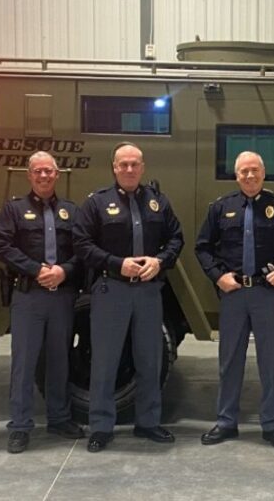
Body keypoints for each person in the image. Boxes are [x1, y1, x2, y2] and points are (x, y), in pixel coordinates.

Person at [194, 151, 274, 450]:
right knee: (229, 361)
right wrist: (218, 276)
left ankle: (272, 425)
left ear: (263, 173)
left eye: (255, 170)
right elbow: (203, 247)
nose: (250, 176)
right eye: (244, 171)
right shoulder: (222, 208)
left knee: (270, 362)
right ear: (237, 175)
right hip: (233, 294)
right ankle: (225, 422)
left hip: (266, 294)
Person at [73, 142, 184, 453]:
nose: (130, 169)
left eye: (135, 164)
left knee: (150, 360)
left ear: (143, 166)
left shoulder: (158, 202)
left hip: (148, 292)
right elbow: (82, 243)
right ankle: (101, 427)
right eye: (123, 164)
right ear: (114, 167)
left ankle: (148, 422)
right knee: (105, 363)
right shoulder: (97, 203)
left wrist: (160, 261)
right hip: (112, 290)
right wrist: (115, 263)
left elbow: (176, 237)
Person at [0, 152, 85, 454]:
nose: (44, 176)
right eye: (38, 172)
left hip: (62, 294)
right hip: (29, 295)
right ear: (29, 175)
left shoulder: (72, 211)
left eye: (49, 171)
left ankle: (59, 418)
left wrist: (64, 270)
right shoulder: (14, 209)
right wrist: (36, 269)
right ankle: (20, 426)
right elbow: (1, 245)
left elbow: (82, 249)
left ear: (57, 174)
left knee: (59, 359)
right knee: (24, 362)